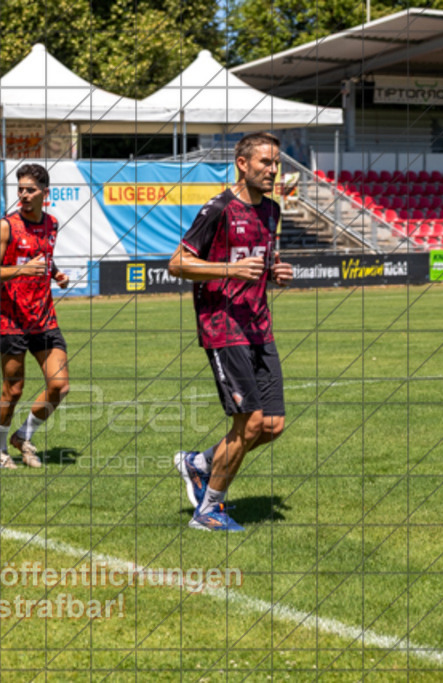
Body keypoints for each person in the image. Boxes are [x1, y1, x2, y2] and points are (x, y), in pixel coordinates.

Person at [168, 131, 294, 532]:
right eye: (265, 163)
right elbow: (177, 264)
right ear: (242, 163)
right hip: (223, 327)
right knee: (251, 422)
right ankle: (209, 510)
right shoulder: (219, 208)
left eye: (276, 163)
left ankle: (199, 462)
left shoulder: (272, 210)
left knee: (273, 425)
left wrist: (277, 273)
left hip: (260, 326)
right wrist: (228, 269)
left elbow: (259, 262)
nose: (272, 170)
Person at [0, 163, 70, 469]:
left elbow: (44, 256)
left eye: (30, 189)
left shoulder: (53, 224)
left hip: (44, 317)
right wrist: (22, 269)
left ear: (45, 193)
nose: (23, 195)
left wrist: (55, 272)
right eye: (20, 189)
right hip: (12, 319)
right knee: (13, 390)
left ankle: (23, 435)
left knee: (59, 386)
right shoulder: (6, 226)